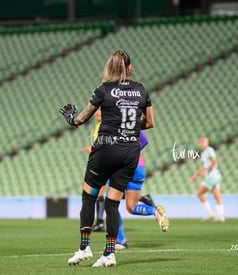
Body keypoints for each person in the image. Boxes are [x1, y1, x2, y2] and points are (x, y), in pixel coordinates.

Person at [60, 51, 168, 267]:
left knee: (89, 195)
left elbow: (81, 119)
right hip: (130, 152)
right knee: (112, 202)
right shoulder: (141, 90)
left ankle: (84, 248)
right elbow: (149, 123)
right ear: (129, 68)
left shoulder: (103, 90)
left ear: (109, 67)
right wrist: (128, 127)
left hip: (106, 148)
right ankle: (109, 254)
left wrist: (71, 119)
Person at [190, 137, 224, 221]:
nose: (201, 144)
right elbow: (203, 166)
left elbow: (214, 162)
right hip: (215, 176)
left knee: (199, 193)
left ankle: (210, 213)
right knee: (216, 195)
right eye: (200, 142)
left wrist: (205, 171)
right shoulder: (204, 153)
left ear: (207, 143)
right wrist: (195, 175)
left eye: (203, 142)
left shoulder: (209, 150)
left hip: (211, 176)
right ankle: (220, 216)